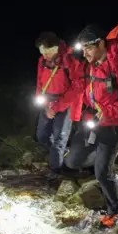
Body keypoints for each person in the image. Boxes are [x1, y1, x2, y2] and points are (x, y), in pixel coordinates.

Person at [64, 25, 118, 228]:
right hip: (92, 123)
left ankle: (116, 211)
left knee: (103, 173)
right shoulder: (95, 64)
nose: (85, 54)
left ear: (101, 44)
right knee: (72, 162)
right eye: (83, 49)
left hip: (113, 127)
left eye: (89, 48)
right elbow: (92, 90)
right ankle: (101, 161)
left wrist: (109, 111)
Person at [34, 31, 85, 181]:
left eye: (48, 51)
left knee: (59, 139)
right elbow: (40, 83)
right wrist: (42, 102)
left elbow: (77, 87)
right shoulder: (42, 61)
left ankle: (56, 172)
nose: (46, 55)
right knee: (42, 135)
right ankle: (58, 155)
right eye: (43, 52)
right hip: (47, 102)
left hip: (65, 103)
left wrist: (56, 107)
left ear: (56, 48)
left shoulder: (70, 61)